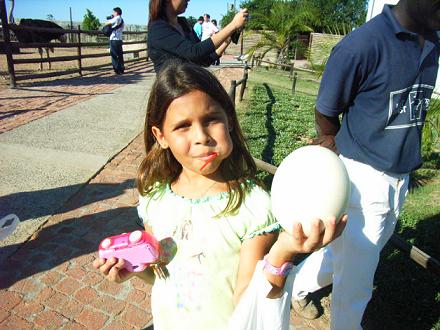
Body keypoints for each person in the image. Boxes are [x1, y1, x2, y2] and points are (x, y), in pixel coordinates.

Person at [93, 61, 347, 329]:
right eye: (183, 126)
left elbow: (250, 302)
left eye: (211, 119)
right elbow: (162, 274)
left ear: (228, 119)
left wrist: (283, 253)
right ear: (160, 136)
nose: (201, 136)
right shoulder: (154, 200)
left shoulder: (253, 207)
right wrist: (133, 269)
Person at [290, 1, 440, 329]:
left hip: (399, 176)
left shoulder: (433, 38)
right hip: (363, 178)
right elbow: (326, 109)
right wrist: (331, 144)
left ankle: (296, 287)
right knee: (356, 285)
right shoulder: (363, 45)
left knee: (345, 254)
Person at [147, 0, 244, 73]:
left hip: (191, 87)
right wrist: (233, 25)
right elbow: (194, 52)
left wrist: (229, 38)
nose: (189, 0)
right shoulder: (158, 29)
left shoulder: (183, 24)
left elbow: (203, 60)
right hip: (172, 94)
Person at [105, 7, 125, 75]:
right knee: (120, 55)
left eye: (113, 12)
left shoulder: (116, 18)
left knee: (114, 55)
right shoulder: (122, 20)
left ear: (116, 12)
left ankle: (116, 70)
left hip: (114, 39)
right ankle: (121, 69)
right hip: (119, 39)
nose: (113, 13)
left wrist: (110, 19)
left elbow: (107, 23)